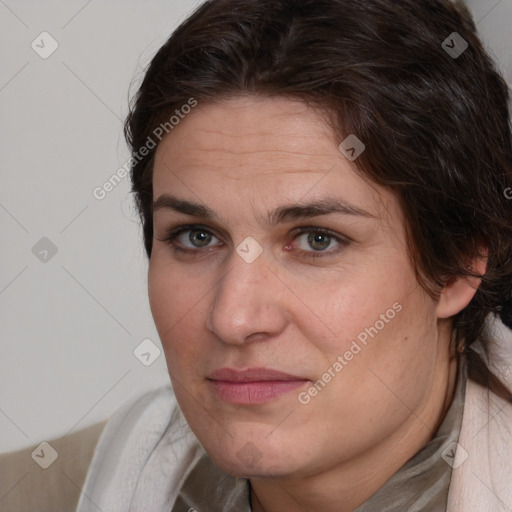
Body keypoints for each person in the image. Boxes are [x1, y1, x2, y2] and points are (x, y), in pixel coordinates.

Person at [76, 0, 512, 510]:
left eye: (316, 240)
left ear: (456, 268)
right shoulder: (61, 485)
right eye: (197, 236)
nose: (233, 318)